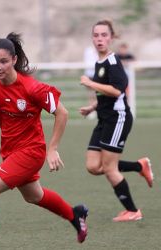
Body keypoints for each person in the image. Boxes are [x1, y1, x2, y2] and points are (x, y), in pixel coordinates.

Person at [0, 32, 88, 250]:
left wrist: (53, 149)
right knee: (34, 196)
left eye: (3, 61)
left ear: (14, 60)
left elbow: (62, 113)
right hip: (9, 151)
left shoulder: (32, 88)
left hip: (31, 152)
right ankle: (75, 215)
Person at [79, 20, 153, 222]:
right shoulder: (100, 62)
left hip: (118, 119)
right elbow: (106, 93)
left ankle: (132, 211)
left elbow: (117, 90)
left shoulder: (112, 61)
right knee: (94, 166)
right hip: (104, 118)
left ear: (111, 37)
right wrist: (92, 107)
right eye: (96, 35)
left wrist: (89, 83)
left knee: (110, 168)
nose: (100, 39)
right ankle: (140, 166)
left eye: (104, 35)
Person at [83, 45, 99, 119]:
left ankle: (96, 110)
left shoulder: (100, 50)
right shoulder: (88, 50)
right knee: (90, 93)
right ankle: (91, 110)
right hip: (89, 74)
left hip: (97, 74)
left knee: (97, 93)